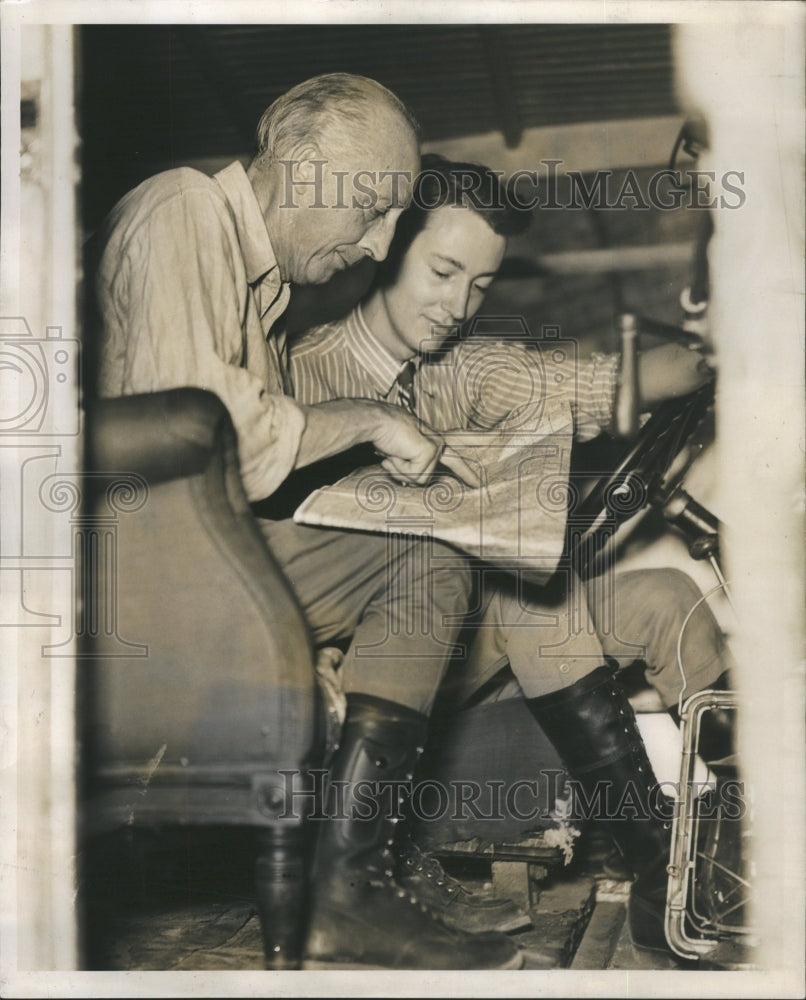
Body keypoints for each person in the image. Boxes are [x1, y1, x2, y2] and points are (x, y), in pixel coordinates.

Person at [92, 75, 524, 971]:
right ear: (297, 164)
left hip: (184, 566)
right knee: (427, 562)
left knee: (430, 559)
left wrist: (312, 643)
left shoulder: (266, 304)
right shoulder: (181, 210)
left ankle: (354, 883)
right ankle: (349, 890)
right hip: (125, 581)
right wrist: (370, 418)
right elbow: (207, 436)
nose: (374, 249)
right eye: (370, 212)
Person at [285, 153, 736, 955]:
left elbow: (607, 384)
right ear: (385, 244)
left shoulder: (469, 365)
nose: (459, 304)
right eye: (444, 271)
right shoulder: (300, 373)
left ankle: (735, 838)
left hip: (467, 634)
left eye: (481, 285)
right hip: (370, 667)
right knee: (532, 597)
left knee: (666, 594)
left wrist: (728, 350)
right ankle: (653, 860)